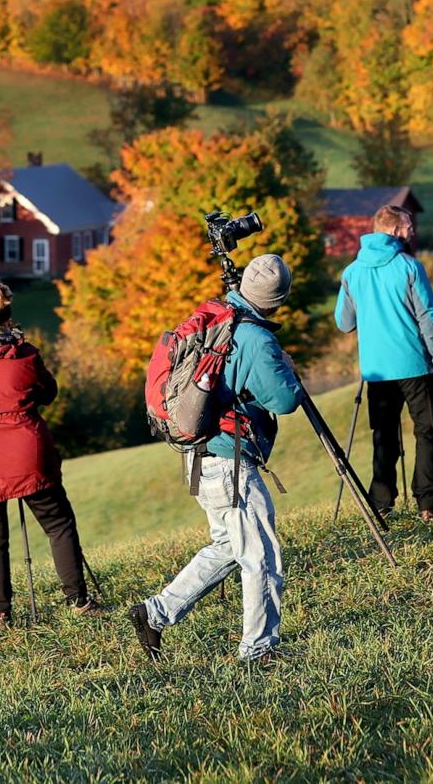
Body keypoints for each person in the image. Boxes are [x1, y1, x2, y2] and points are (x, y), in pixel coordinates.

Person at [129, 254, 306, 664]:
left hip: (200, 457)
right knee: (260, 556)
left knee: (228, 545)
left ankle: (154, 613)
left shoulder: (218, 317)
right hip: (230, 461)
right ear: (279, 299)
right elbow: (283, 399)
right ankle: (258, 649)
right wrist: (290, 373)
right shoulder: (257, 339)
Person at [0, 281, 101, 626]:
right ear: (8, 315)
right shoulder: (26, 355)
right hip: (24, 452)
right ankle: (77, 600)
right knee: (58, 524)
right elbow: (49, 392)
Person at [333, 204, 433, 519]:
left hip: (376, 369)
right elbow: (428, 317)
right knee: (426, 432)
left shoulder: (351, 272)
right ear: (395, 230)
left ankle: (382, 503)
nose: (413, 232)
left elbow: (344, 323)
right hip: (416, 365)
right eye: (409, 227)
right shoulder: (410, 267)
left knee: (384, 435)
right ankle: (427, 504)